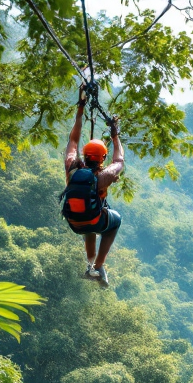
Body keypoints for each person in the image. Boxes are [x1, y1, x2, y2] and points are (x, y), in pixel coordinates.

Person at [63, 90, 124, 287]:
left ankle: (90, 264)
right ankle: (98, 265)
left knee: (90, 223)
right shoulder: (103, 176)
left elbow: (73, 140)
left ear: (84, 154)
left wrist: (80, 109)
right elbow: (119, 160)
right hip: (93, 220)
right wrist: (115, 137)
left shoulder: (71, 167)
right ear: (102, 158)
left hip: (74, 223)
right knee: (114, 221)